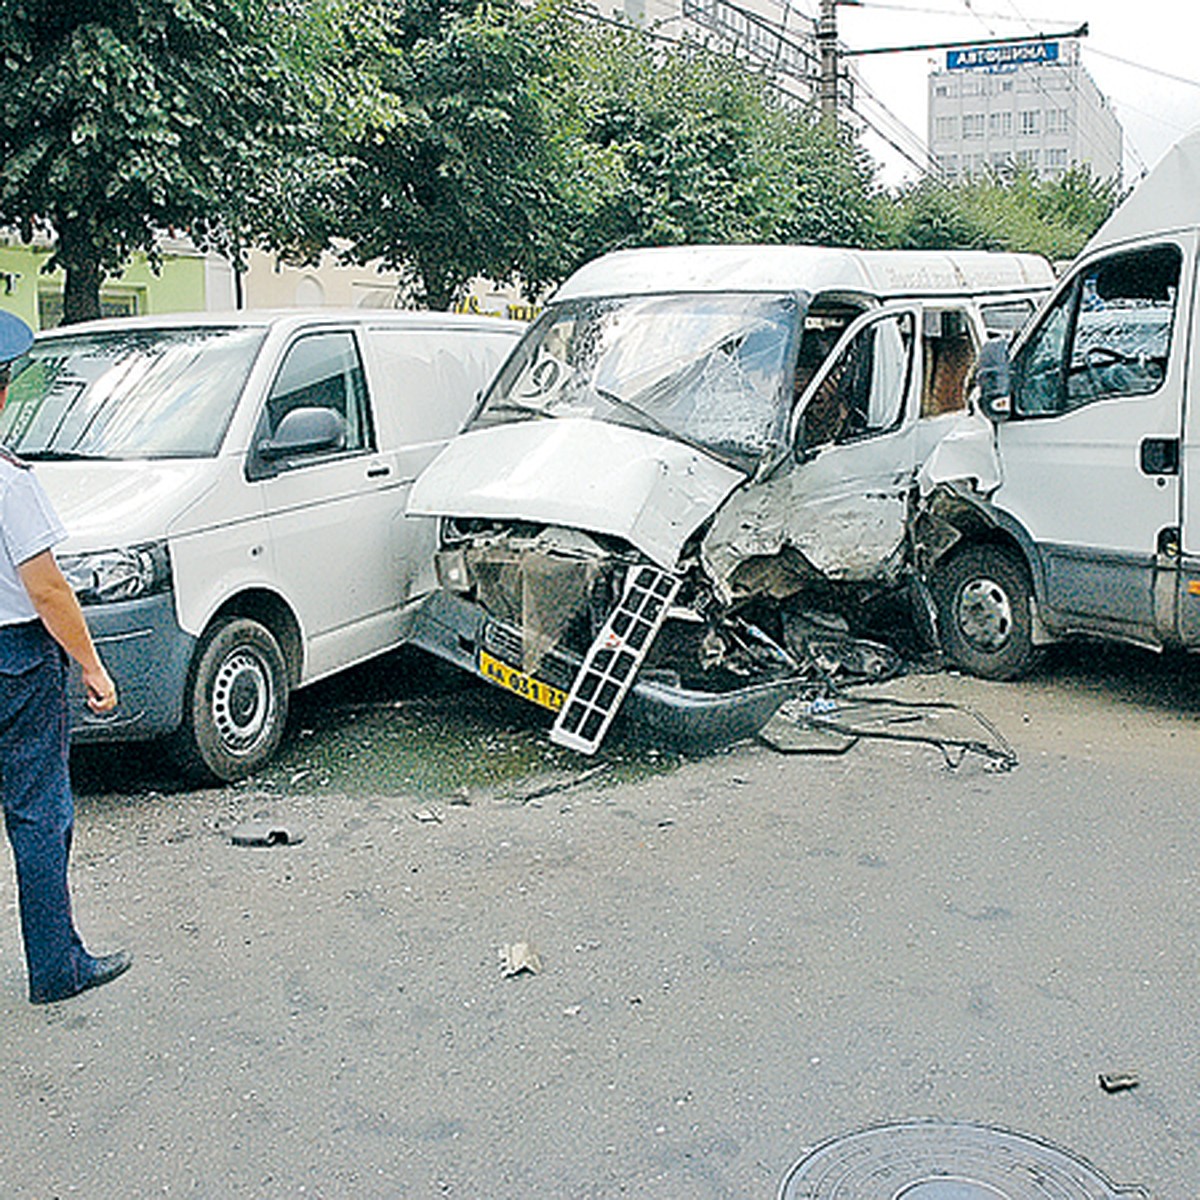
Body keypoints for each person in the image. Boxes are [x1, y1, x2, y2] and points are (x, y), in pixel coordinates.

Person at [0, 310, 131, 1004]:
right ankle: (58, 967)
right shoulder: (10, 481)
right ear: (4, 388)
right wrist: (91, 665)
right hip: (14, 660)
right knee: (38, 814)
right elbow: (47, 588)